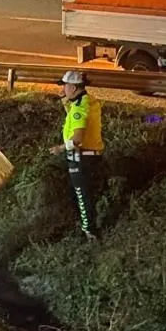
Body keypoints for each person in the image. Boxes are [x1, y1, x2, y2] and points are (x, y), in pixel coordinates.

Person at [49, 71, 103, 241]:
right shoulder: (88, 101)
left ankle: (90, 232)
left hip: (81, 157)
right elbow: (73, 116)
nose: (62, 88)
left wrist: (60, 148)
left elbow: (78, 138)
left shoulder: (79, 108)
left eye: (64, 85)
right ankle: (85, 226)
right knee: (84, 194)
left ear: (72, 87)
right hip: (91, 156)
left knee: (82, 195)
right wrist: (65, 101)